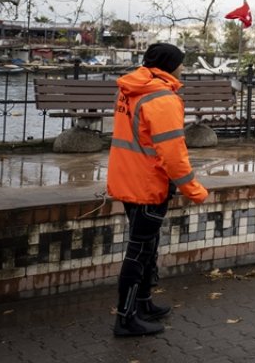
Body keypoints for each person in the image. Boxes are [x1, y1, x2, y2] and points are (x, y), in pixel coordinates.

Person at [107, 42, 210, 337]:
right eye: (182, 63)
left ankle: (142, 302)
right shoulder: (162, 98)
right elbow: (173, 154)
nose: (184, 68)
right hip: (149, 184)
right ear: (169, 65)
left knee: (147, 246)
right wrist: (194, 190)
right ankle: (125, 318)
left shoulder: (131, 89)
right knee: (138, 251)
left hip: (128, 179)